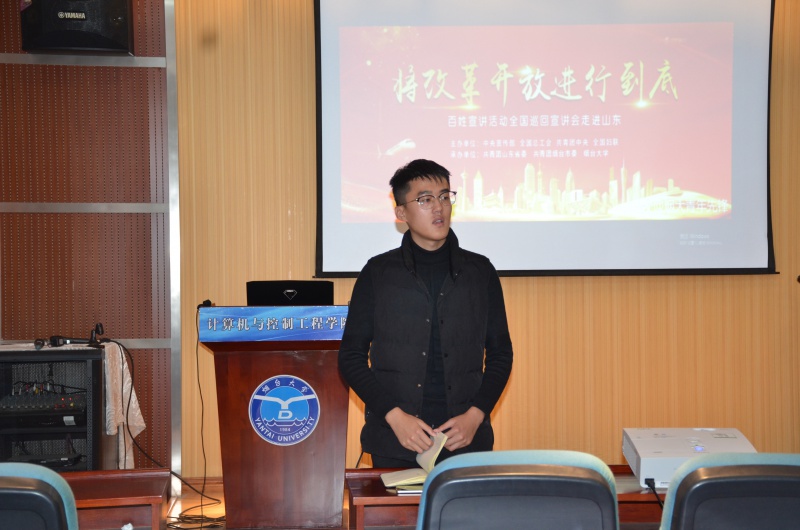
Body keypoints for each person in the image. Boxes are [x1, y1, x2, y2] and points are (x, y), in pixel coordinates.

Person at [338, 159, 514, 468]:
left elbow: (501, 354)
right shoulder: (378, 273)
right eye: (425, 199)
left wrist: (475, 416)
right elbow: (351, 357)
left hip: (466, 441)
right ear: (401, 213)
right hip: (395, 441)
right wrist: (394, 417)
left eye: (445, 196)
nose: (439, 207)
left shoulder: (479, 272)